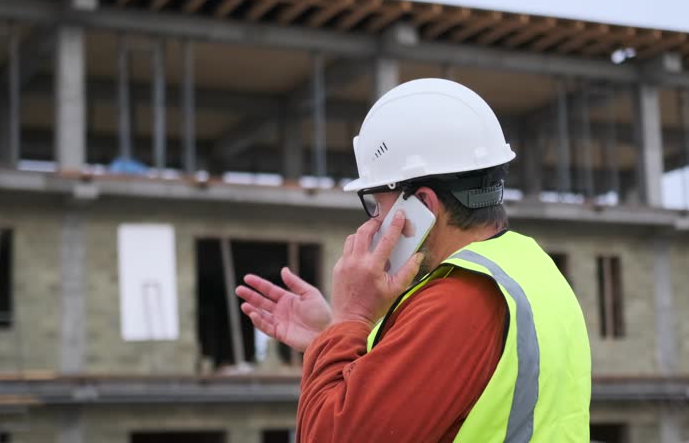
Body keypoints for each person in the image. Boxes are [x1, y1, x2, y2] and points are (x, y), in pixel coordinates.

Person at [236, 78, 591, 442]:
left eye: (377, 204)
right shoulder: (533, 271)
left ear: (421, 205)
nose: (373, 222)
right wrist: (333, 338)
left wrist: (352, 316)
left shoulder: (458, 301)